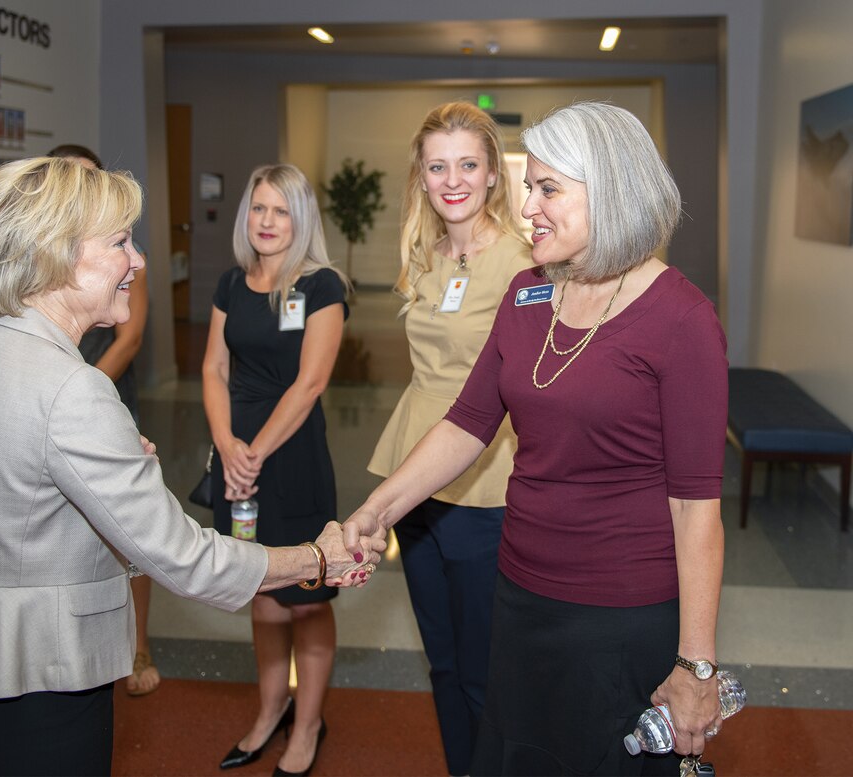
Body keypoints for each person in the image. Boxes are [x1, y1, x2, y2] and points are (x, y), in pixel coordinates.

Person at [0, 157, 381, 777]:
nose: (139, 261)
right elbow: (186, 559)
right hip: (41, 684)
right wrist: (318, 558)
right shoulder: (74, 390)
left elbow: (1, 507)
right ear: (56, 255)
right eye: (120, 242)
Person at [344, 101, 728, 776]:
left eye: (549, 189)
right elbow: (467, 422)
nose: (529, 208)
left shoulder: (681, 317)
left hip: (618, 614)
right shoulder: (528, 294)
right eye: (530, 187)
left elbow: (696, 507)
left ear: (609, 192)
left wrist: (696, 665)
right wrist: (378, 509)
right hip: (521, 596)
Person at [366, 102, 532, 777]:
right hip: (417, 471)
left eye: (468, 164)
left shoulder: (525, 264)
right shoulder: (424, 252)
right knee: (440, 655)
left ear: (493, 173)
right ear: (423, 175)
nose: (453, 179)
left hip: (485, 473)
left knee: (482, 664)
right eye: (439, 166)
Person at [202, 164, 350, 777]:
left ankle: (308, 724)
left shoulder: (321, 286)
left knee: (307, 598)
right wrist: (226, 444)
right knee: (259, 590)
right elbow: (213, 369)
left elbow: (311, 381)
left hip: (289, 460)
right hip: (236, 457)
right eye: (258, 209)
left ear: (301, 219)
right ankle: (270, 712)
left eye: (280, 211)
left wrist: (255, 451)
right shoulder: (231, 284)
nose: (266, 222)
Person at [48, 143, 159, 697]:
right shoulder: (41, 254)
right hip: (57, 391)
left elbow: (130, 335)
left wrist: (86, 387)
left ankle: (138, 644)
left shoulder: (121, 255)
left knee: (127, 526)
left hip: (105, 386)